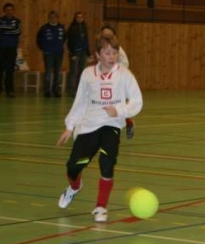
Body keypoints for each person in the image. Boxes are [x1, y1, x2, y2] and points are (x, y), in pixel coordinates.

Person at [56, 34, 143, 223]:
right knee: (73, 167)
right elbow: (80, 102)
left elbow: (137, 101)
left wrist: (119, 110)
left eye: (114, 53)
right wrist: (70, 127)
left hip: (111, 125)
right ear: (98, 55)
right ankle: (74, 187)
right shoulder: (88, 74)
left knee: (107, 162)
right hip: (89, 126)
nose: (112, 57)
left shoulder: (124, 75)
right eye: (107, 53)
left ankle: (101, 207)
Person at [99, 25, 135, 139]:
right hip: (104, 79)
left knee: (115, 105)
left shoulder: (118, 49)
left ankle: (127, 123)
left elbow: (125, 63)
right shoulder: (101, 48)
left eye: (108, 35)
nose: (106, 36)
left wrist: (114, 71)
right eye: (104, 34)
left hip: (116, 80)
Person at [0, 3, 22, 98]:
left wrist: (6, 31)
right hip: (1, 48)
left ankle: (10, 90)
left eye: (11, 10)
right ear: (4, 11)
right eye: (7, 10)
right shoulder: (0, 20)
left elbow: (17, 31)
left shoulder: (17, 21)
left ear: (13, 11)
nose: (9, 12)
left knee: (10, 70)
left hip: (12, 49)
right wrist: (10, 30)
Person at [36, 11, 66, 97]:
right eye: (51, 17)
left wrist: (60, 47)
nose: (53, 19)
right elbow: (38, 39)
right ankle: (47, 91)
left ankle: (56, 91)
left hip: (59, 53)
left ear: (57, 18)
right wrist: (44, 49)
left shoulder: (61, 27)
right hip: (48, 53)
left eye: (55, 17)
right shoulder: (44, 28)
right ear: (49, 18)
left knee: (57, 72)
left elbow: (64, 38)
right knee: (48, 72)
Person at [65, 12, 89, 96]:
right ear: (75, 18)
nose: (80, 18)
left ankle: (79, 89)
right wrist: (72, 54)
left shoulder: (84, 27)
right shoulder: (72, 28)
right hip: (75, 52)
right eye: (78, 17)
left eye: (81, 17)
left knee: (82, 71)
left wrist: (88, 53)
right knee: (74, 71)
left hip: (83, 52)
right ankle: (71, 89)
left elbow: (86, 40)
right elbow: (69, 42)